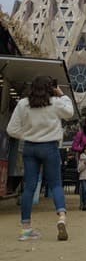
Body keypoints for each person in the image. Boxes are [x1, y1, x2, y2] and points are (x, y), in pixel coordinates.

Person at [7, 75, 74, 241]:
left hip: (30, 146)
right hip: (50, 147)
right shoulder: (55, 103)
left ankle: (26, 228)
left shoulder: (23, 104)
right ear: (50, 88)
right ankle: (61, 217)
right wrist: (62, 94)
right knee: (56, 184)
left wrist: (27, 135)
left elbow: (11, 129)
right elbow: (69, 112)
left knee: (29, 187)